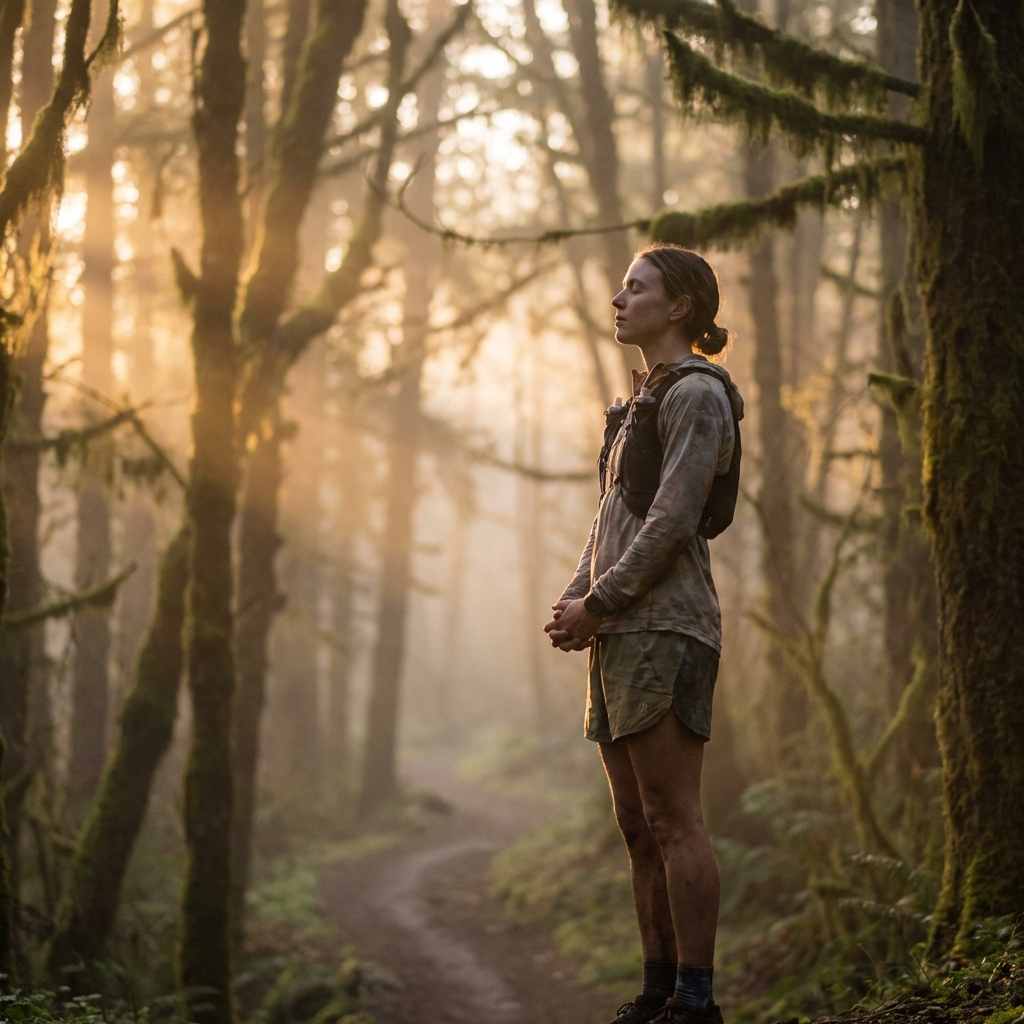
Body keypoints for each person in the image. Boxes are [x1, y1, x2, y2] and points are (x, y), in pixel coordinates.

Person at [544, 243, 743, 1024]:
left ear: (680, 307)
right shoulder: (641, 403)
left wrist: (602, 602)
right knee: (635, 826)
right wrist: (576, 601)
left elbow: (672, 523)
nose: (619, 299)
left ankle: (696, 1001)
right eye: (622, 285)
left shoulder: (697, 395)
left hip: (669, 626)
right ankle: (657, 990)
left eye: (638, 287)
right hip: (622, 628)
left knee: (673, 818)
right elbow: (613, 522)